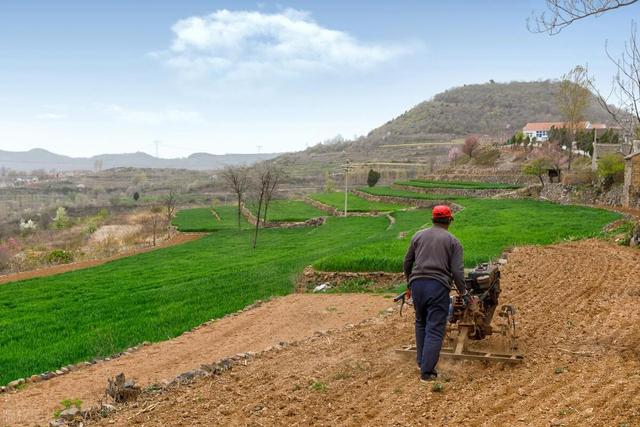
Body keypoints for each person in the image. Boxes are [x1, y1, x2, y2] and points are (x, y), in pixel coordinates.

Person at [403, 205, 467, 382]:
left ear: (433, 219)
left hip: (417, 284)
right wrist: (463, 292)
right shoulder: (453, 241)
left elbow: (407, 262)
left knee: (421, 322)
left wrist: (410, 282)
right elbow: (457, 271)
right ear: (449, 220)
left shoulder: (418, 235)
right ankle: (427, 372)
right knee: (435, 328)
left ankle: (421, 362)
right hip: (437, 286)